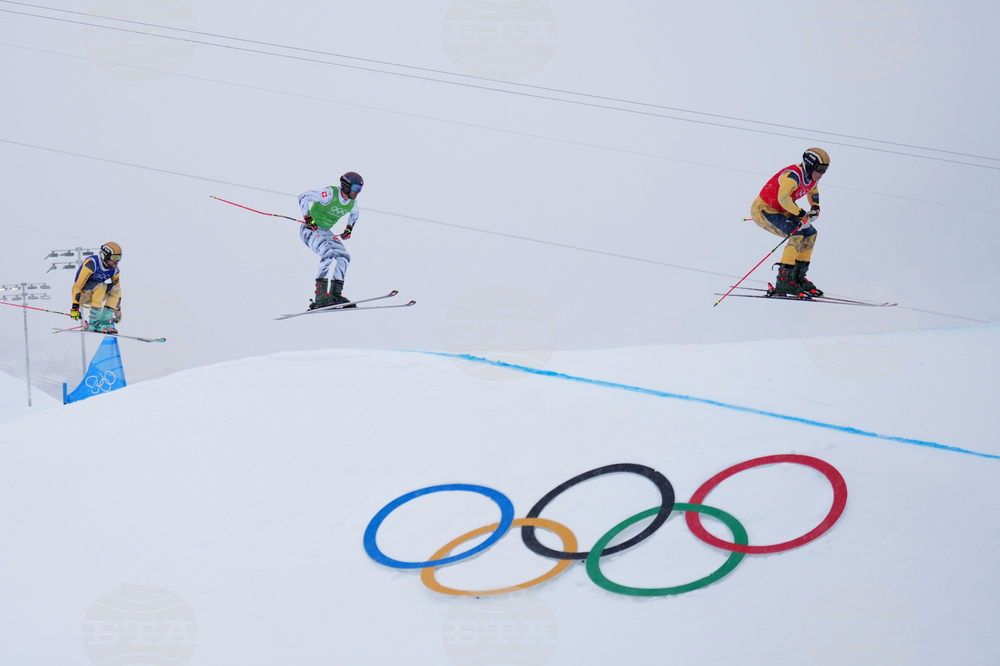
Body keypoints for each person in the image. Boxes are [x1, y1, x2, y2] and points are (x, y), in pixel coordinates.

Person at [750, 148, 830, 297]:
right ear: (810, 165)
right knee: (796, 235)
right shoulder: (793, 176)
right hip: (763, 209)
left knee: (811, 233)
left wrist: (815, 208)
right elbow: (783, 198)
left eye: (825, 169)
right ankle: (784, 281)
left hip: (783, 210)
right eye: (820, 169)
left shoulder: (812, 178)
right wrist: (801, 213)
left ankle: (797, 277)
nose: (822, 173)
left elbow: (813, 191)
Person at [297, 171, 363, 309]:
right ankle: (320, 296)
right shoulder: (330, 193)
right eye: (356, 188)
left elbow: (355, 214)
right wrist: (307, 217)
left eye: (360, 189)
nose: (358, 192)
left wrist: (349, 228)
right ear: (346, 186)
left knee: (344, 257)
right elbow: (303, 197)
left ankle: (335, 294)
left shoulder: (352, 203)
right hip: (310, 230)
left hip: (326, 232)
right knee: (328, 254)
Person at [69, 242, 122, 332]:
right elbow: (77, 286)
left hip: (98, 295)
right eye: (114, 258)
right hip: (83, 295)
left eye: (119, 258)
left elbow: (117, 292)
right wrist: (75, 307)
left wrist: (118, 310)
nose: (117, 261)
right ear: (106, 256)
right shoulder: (91, 264)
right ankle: (93, 322)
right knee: (101, 286)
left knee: (116, 289)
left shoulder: (115, 270)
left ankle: (104, 321)